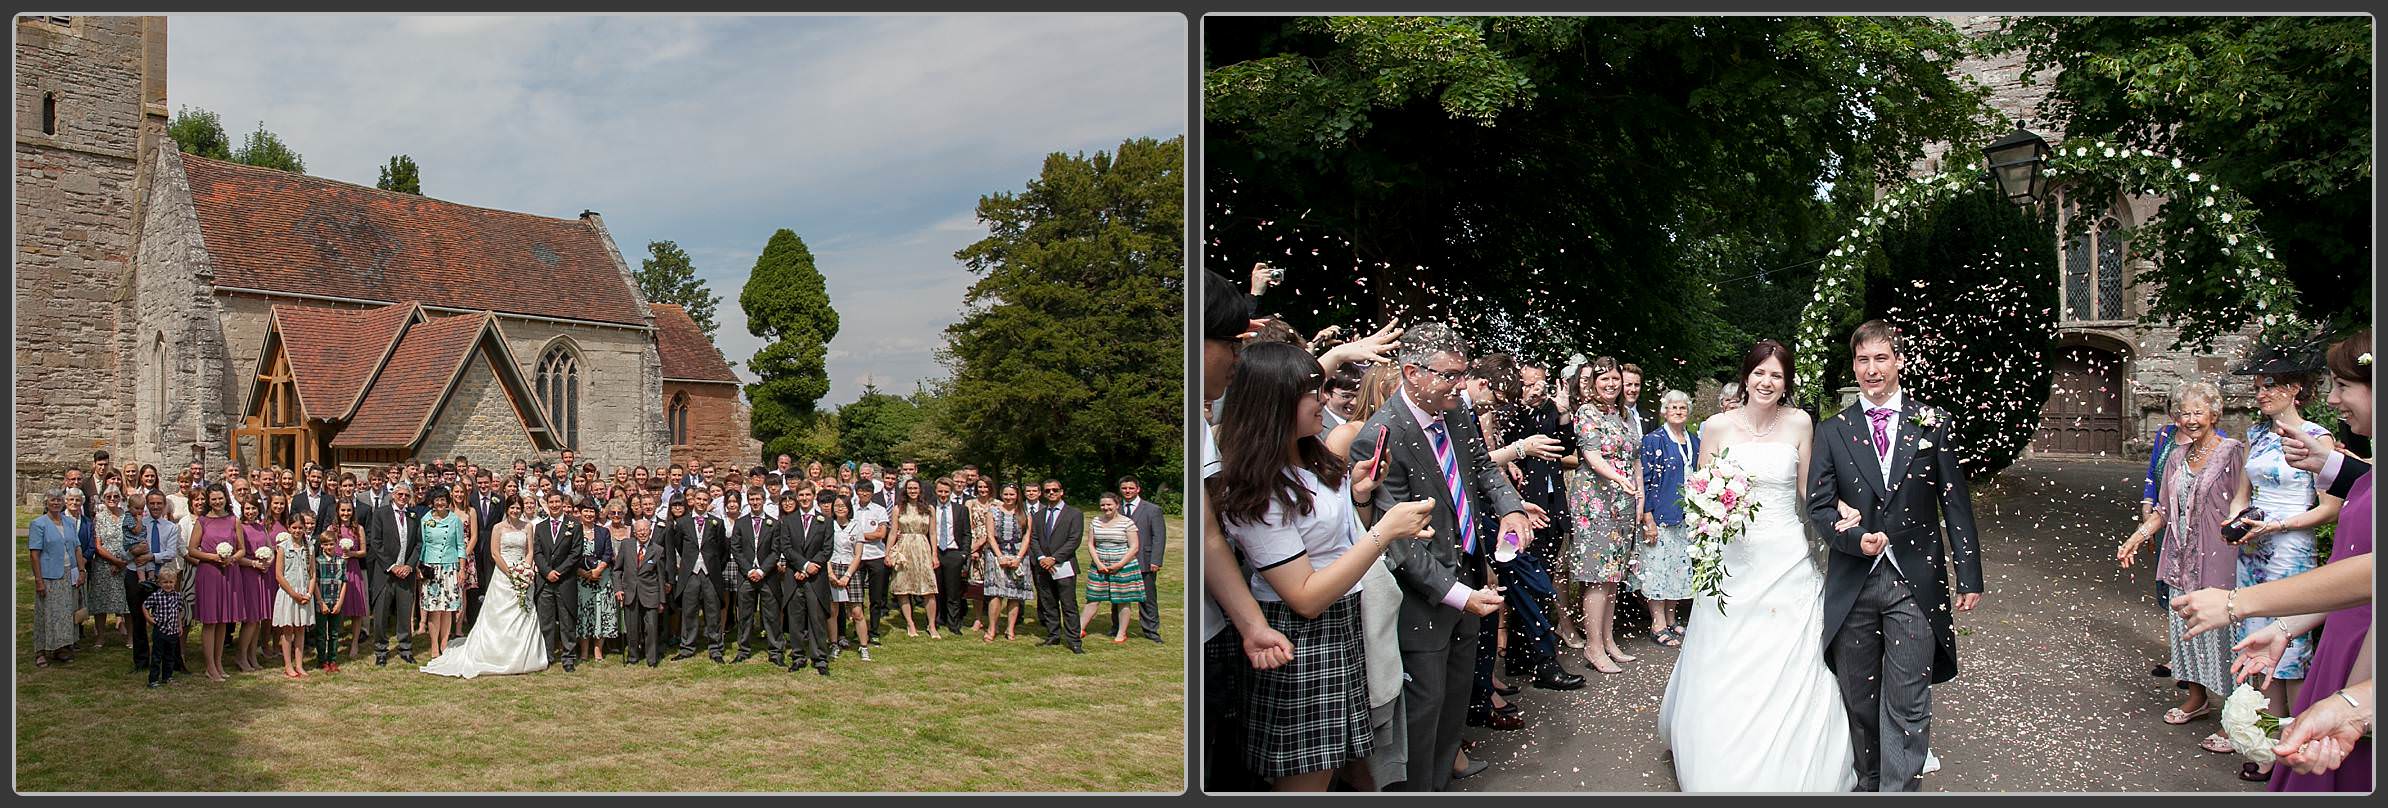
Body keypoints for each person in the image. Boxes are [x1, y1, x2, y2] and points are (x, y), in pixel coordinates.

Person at [1213, 340, 1441, 790]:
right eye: (1312, 391)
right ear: (1273, 402)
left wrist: (1358, 497)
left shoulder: (1310, 457)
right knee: (1305, 783)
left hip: (1341, 625)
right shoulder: (1256, 491)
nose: (1325, 398)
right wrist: (1385, 532)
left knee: (1333, 771)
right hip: (1299, 639)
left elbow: (1335, 544)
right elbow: (1306, 596)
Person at [1659, 339, 1858, 791]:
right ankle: (1721, 749)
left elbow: (1811, 490)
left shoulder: (1801, 423)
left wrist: (1842, 509)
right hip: (1734, 558)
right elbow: (1699, 493)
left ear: (1786, 383)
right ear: (1747, 376)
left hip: (1786, 552)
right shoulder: (1716, 426)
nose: (1767, 382)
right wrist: (1711, 516)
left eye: (1777, 375)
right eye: (1760, 373)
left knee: (1791, 653)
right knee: (1730, 651)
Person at [1352, 322, 1534, 792]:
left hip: (1469, 579)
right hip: (1425, 599)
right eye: (1450, 374)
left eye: (1463, 372)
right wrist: (1459, 595)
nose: (1461, 382)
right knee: (1422, 713)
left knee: (1453, 707)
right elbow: (1399, 542)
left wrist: (1511, 509)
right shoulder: (1381, 434)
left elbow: (1480, 471)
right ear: (1413, 372)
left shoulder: (1455, 415)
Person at [1804, 323, 1987, 791]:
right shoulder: (1832, 431)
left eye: (1880, 359)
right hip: (1854, 583)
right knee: (1860, 700)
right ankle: (1869, 783)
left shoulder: (1932, 422)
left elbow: (1954, 503)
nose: (1871, 370)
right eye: (1862, 360)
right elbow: (1820, 505)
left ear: (1899, 361)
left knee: (1907, 702)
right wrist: (1852, 540)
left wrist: (1969, 574)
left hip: (1916, 583)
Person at [2221, 343, 2342, 779]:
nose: (2260, 394)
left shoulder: (2317, 436)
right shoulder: (2255, 436)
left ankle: (2298, 740)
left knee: (2290, 647)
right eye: (2257, 387)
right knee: (2259, 641)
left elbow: (2330, 507)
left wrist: (2279, 526)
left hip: (2290, 547)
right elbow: (2242, 492)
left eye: (2268, 386)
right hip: (2253, 547)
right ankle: (2268, 746)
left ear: (2294, 389)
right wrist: (2236, 518)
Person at [2118, 380, 2247, 754]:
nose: (2190, 419)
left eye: (2198, 412)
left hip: (2219, 554)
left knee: (2223, 633)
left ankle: (2232, 712)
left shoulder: (2232, 452)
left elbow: (2248, 499)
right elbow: (2162, 510)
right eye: (2184, 413)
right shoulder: (2176, 456)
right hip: (2179, 556)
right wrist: (2137, 538)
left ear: (2214, 414)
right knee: (2184, 629)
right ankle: (2197, 698)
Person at [1567, 356, 1642, 674]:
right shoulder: (1587, 412)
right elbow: (1592, 455)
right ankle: (1593, 647)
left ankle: (1609, 641)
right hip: (1596, 502)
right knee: (1597, 577)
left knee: (1613, 576)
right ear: (1594, 383)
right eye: (1604, 379)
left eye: (1615, 379)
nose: (1612, 384)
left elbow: (1635, 459)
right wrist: (1618, 478)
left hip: (1623, 501)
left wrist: (1639, 496)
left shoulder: (1624, 415)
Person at [423, 493, 551, 678]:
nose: (515, 511)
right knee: (499, 614)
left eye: (518, 508)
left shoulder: (528, 527)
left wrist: (524, 570)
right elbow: (495, 553)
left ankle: (524, 654)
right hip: (504, 574)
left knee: (523, 613)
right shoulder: (498, 528)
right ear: (507, 509)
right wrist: (511, 574)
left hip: (523, 574)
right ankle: (495, 653)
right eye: (512, 507)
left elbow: (529, 550)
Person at [1635, 390, 1700, 647]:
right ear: (1664, 411)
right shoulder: (1653, 440)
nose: (1678, 411)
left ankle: (1672, 619)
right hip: (1660, 515)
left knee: (1678, 568)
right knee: (1657, 569)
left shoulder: (1694, 441)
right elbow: (1646, 480)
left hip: (1685, 517)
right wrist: (1647, 518)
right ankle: (1657, 623)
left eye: (1682, 407)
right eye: (1673, 407)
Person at [775, 489, 834, 675]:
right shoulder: (788, 521)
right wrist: (803, 566)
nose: (804, 498)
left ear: (813, 496)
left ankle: (820, 658)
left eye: (807, 495)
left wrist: (812, 566)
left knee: (816, 619)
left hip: (816, 577)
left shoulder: (825, 521)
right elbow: (785, 546)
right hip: (795, 575)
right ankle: (798, 656)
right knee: (796, 619)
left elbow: (827, 549)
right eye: (801, 495)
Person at [668, 492, 728, 662]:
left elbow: (722, 549)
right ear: (693, 501)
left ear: (708, 502)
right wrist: (690, 563)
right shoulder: (682, 523)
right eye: (698, 499)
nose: (701, 502)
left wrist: (714, 567)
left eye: (705, 500)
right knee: (689, 611)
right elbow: (679, 546)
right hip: (691, 574)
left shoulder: (717, 523)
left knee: (713, 611)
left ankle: (715, 648)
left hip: (710, 574)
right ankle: (687, 647)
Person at [1079, 492, 1146, 644]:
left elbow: (1134, 546)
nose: (1106, 507)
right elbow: (1091, 544)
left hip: (1123, 565)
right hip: (1100, 565)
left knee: (1123, 600)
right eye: (1103, 505)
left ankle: (1121, 633)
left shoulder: (1127, 522)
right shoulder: (1095, 521)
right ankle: (1079, 629)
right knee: (1093, 598)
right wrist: (1098, 563)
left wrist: (1120, 564)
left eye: (1109, 504)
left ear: (1117, 505)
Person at [188, 486, 240, 680]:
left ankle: (219, 663)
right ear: (209, 501)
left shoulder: (234, 520)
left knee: (223, 621)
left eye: (220, 498)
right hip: (209, 573)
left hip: (228, 572)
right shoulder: (203, 521)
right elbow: (192, 549)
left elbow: (241, 549)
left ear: (226, 499)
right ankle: (209, 666)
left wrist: (231, 558)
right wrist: (213, 557)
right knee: (210, 621)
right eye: (214, 499)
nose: (218, 502)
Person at [1030, 479, 1088, 654]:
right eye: (1047, 491)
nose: (1051, 493)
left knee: (1068, 604)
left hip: (1064, 565)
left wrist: (1054, 558)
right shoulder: (1039, 515)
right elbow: (1033, 538)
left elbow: (1074, 540)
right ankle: (1053, 635)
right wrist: (1041, 557)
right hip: (1042, 566)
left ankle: (1074, 640)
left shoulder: (1074, 514)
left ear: (1061, 492)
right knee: (1048, 602)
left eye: (1054, 490)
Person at [28, 491, 84, 668]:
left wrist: (81, 570)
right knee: (47, 613)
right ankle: (41, 650)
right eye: (53, 500)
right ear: (46, 502)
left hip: (69, 573)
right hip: (49, 575)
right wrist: (38, 580)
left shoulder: (70, 521)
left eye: (59, 500)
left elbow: (77, 548)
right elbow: (35, 554)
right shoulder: (38, 524)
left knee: (66, 613)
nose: (56, 503)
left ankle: (60, 648)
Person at [236, 491, 287, 673]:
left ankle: (252, 655)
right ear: (243, 509)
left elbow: (271, 549)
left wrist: (268, 562)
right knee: (250, 619)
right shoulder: (239, 527)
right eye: (247, 508)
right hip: (248, 574)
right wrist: (254, 563)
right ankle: (241, 656)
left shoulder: (260, 527)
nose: (251, 512)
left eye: (254, 509)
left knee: (258, 619)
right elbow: (238, 555)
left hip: (262, 575)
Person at [728, 491, 781, 663]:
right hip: (746, 575)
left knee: (771, 615)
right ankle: (743, 649)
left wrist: (762, 571)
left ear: (764, 501)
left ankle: (775, 651)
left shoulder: (773, 523)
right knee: (744, 614)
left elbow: (775, 551)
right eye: (752, 499)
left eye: (758, 499)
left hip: (767, 576)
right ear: (748, 502)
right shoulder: (741, 523)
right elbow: (735, 548)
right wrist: (749, 570)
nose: (755, 502)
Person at [887, 478, 941, 638]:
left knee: (928, 588)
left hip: (922, 547)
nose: (912, 491)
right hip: (904, 547)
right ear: (905, 490)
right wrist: (888, 553)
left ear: (920, 490)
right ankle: (910, 623)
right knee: (903, 587)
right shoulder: (899, 508)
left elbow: (932, 533)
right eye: (909, 488)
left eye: (915, 488)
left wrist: (934, 554)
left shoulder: (929, 508)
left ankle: (931, 625)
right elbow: (892, 532)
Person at [417, 487, 467, 659]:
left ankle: (445, 643)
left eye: (443, 500)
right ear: (432, 501)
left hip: (450, 568)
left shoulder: (455, 520)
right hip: (431, 568)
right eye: (437, 500)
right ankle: (433, 645)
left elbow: (461, 545)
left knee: (447, 609)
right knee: (434, 609)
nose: (440, 503)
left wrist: (461, 569)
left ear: (448, 501)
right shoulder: (425, 519)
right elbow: (422, 544)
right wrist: (420, 568)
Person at [981, 483, 1033, 641]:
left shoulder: (1025, 513)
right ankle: (992, 628)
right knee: (996, 594)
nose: (1009, 498)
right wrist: (1000, 556)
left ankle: (1010, 629)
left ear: (1017, 496)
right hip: (996, 554)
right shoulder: (993, 512)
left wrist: (1018, 558)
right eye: (1006, 494)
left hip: (1018, 554)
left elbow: (1027, 537)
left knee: (1014, 594)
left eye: (1012, 494)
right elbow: (990, 535)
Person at [87, 485, 135, 651]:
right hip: (103, 565)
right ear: (103, 498)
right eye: (109, 497)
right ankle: (100, 637)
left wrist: (122, 562)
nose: (112, 499)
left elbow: (132, 541)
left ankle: (130, 637)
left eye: (116, 496)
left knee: (127, 603)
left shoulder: (127, 517)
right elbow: (98, 546)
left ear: (121, 498)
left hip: (126, 564)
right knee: (101, 602)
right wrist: (114, 561)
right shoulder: (99, 518)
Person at [269, 515, 316, 679]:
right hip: (289, 593)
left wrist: (309, 593)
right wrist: (293, 594)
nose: (297, 531)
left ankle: (299, 664)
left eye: (300, 528)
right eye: (294, 528)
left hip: (304, 592)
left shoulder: (309, 546)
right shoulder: (282, 547)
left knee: (301, 629)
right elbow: (279, 575)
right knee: (288, 630)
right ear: (288, 528)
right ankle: (288, 665)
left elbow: (312, 573)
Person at [827, 496, 874, 662]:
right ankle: (833, 643)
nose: (840, 508)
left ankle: (863, 646)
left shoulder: (856, 526)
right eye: (837, 506)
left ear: (849, 508)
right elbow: (824, 551)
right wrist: (831, 574)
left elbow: (858, 554)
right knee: (833, 610)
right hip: (832, 567)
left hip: (850, 569)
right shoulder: (828, 525)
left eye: (843, 506)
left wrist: (847, 575)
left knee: (857, 611)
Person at [573, 502, 617, 663]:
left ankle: (598, 650)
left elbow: (608, 553)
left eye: (592, 511)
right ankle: (584, 651)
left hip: (602, 577)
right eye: (586, 511)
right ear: (580, 513)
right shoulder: (574, 532)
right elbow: (571, 555)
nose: (589, 514)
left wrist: (598, 570)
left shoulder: (603, 531)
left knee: (601, 611)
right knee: (584, 612)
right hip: (581, 578)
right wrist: (584, 573)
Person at [932, 478, 973, 636]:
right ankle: (938, 618)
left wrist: (964, 554)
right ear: (936, 491)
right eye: (940, 491)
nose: (943, 495)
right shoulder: (930, 508)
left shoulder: (960, 509)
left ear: (951, 492)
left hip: (953, 552)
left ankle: (953, 623)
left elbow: (967, 533)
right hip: (935, 552)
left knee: (953, 591)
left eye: (946, 492)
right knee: (937, 589)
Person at [311, 528, 349, 672]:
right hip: (322, 603)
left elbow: (344, 581)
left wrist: (340, 602)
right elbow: (315, 582)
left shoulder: (341, 561)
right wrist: (321, 602)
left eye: (331, 544)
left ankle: (333, 659)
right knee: (321, 634)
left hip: (336, 602)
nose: (329, 547)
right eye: (325, 544)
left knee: (334, 633)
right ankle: (322, 660)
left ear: (336, 544)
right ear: (321, 545)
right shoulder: (318, 562)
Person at [143, 567, 185, 687]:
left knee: (169, 656)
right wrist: (149, 618)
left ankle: (167, 677)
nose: (168, 585)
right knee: (157, 656)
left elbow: (177, 612)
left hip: (172, 631)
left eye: (170, 582)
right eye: (165, 582)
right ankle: (153, 680)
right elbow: (145, 605)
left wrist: (180, 626)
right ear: (160, 583)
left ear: (175, 582)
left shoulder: (177, 596)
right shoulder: (156, 596)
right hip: (160, 630)